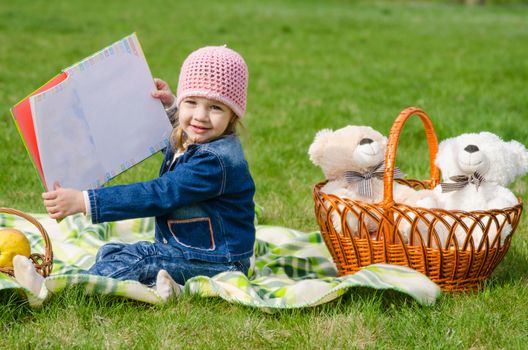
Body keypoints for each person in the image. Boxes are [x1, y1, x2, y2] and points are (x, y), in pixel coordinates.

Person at [13, 45, 256, 301]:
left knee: (142, 257)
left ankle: (53, 291)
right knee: (112, 252)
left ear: (232, 115)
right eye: (191, 102)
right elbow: (184, 133)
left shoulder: (215, 162)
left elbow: (159, 194)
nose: (200, 116)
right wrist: (172, 108)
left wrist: (85, 201)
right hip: (192, 252)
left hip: (222, 262)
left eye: (215, 108)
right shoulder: (200, 137)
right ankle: (170, 288)